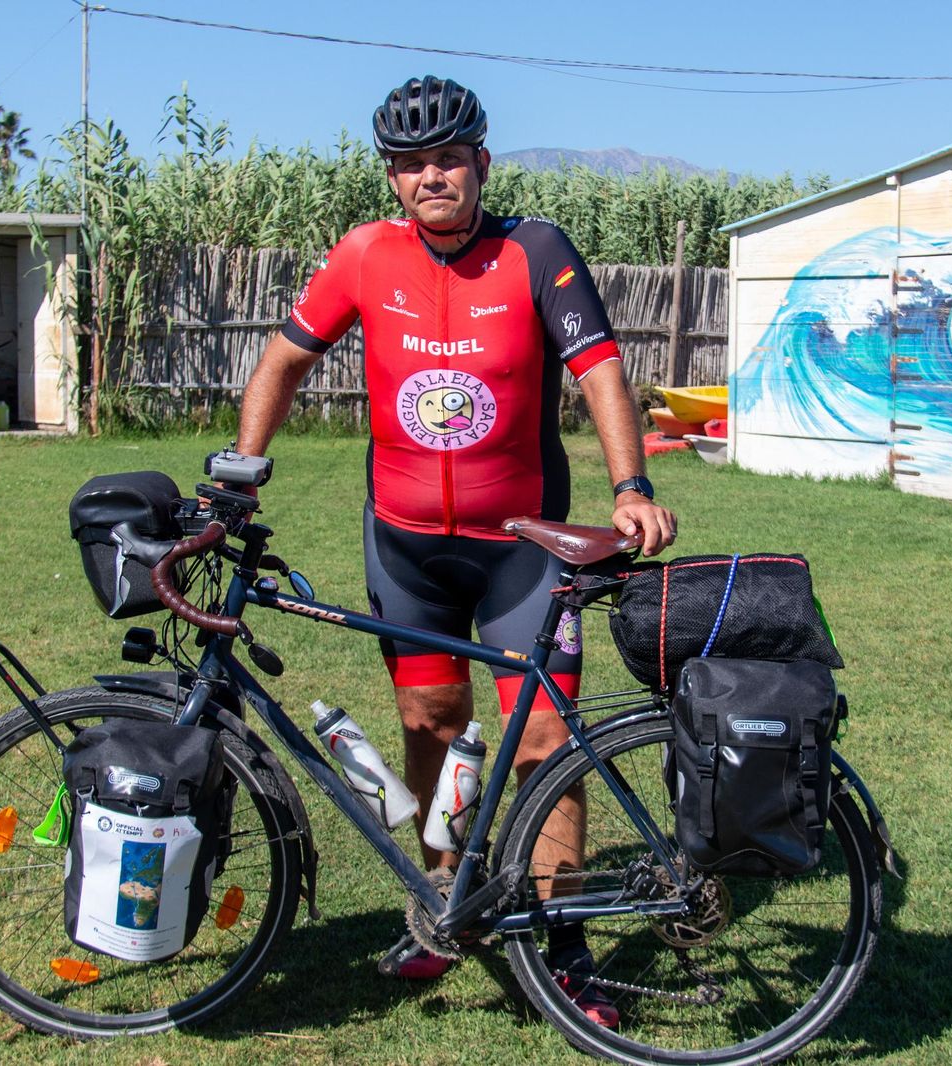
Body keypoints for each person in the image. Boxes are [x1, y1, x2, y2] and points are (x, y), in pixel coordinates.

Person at [233, 75, 675, 1025]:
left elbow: (599, 368)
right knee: (431, 724)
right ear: (393, 178)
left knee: (543, 742)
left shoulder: (534, 251)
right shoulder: (362, 256)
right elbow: (282, 360)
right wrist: (241, 467)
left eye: (447, 158)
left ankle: (566, 947)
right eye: (410, 164)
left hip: (520, 548)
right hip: (406, 546)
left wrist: (630, 486)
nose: (431, 176)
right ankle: (448, 906)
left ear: (479, 160)